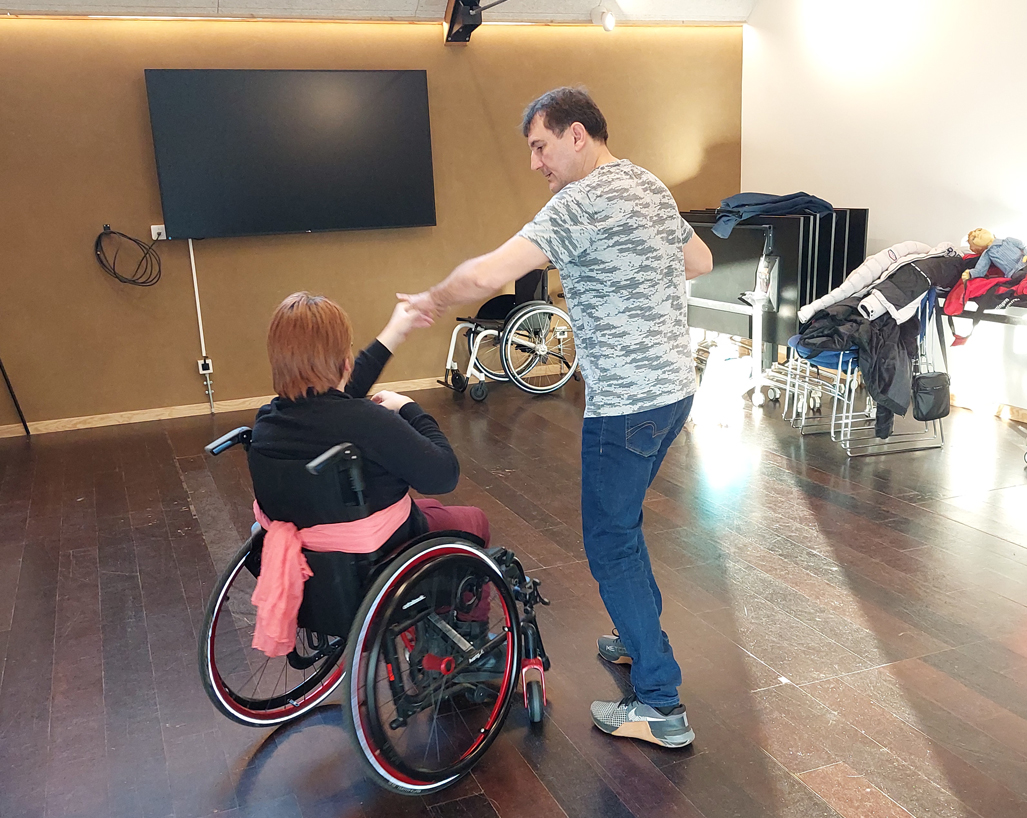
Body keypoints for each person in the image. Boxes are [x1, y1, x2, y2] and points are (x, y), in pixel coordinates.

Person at [399, 87, 714, 748]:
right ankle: (635, 638)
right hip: (673, 392)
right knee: (624, 527)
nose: (535, 162)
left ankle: (660, 704)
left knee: (610, 540)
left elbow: (489, 274)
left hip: (625, 405)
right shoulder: (647, 184)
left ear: (577, 134)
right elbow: (699, 261)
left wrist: (431, 298)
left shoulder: (577, 202)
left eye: (540, 146)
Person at [247, 292, 491, 656]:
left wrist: (395, 331)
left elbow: (334, 399)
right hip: (373, 562)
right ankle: (465, 646)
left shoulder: (268, 422)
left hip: (318, 565)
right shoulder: (367, 422)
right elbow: (444, 474)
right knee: (473, 520)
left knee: (431, 508)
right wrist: (411, 409)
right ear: (345, 362)